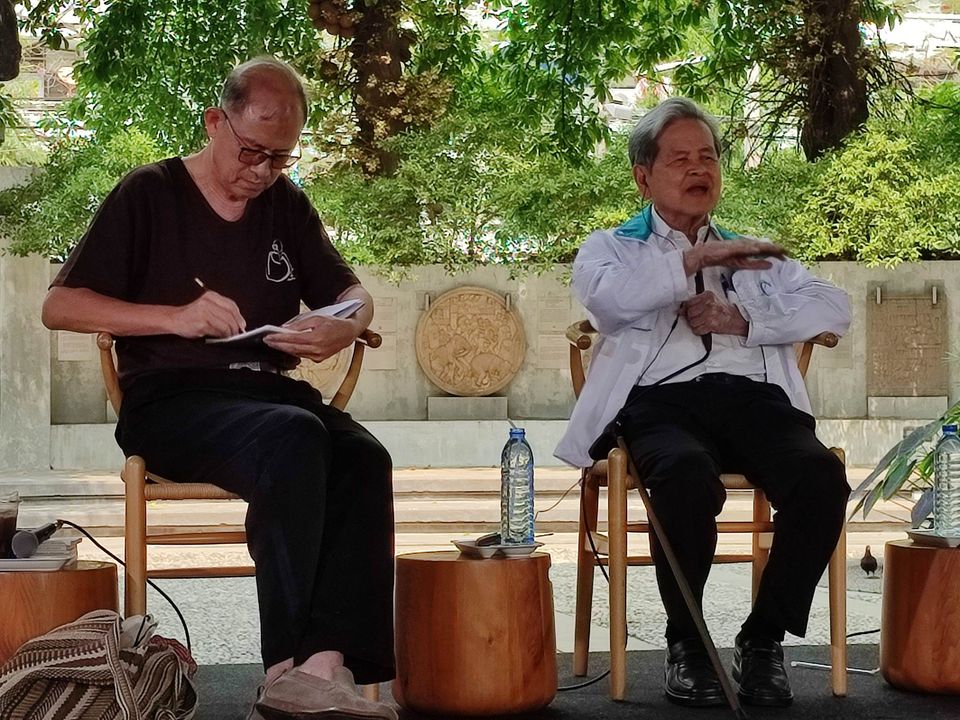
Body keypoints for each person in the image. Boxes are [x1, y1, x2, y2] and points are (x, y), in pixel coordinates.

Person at [41, 57, 397, 720]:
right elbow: (60, 307)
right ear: (215, 122)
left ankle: (323, 668)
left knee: (363, 456)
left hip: (267, 395)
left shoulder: (285, 204)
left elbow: (352, 292)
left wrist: (344, 326)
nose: (262, 171)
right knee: (296, 438)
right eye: (252, 151)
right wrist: (174, 317)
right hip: (170, 398)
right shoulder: (148, 193)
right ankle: (284, 670)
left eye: (281, 158)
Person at [554, 97, 851, 708]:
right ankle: (687, 645)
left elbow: (833, 308)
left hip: (753, 403)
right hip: (657, 405)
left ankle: (763, 639)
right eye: (681, 158)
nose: (699, 169)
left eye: (708, 157)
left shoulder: (751, 251)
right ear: (643, 177)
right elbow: (609, 303)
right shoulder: (611, 247)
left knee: (821, 477)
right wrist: (691, 259)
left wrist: (743, 318)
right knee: (686, 475)